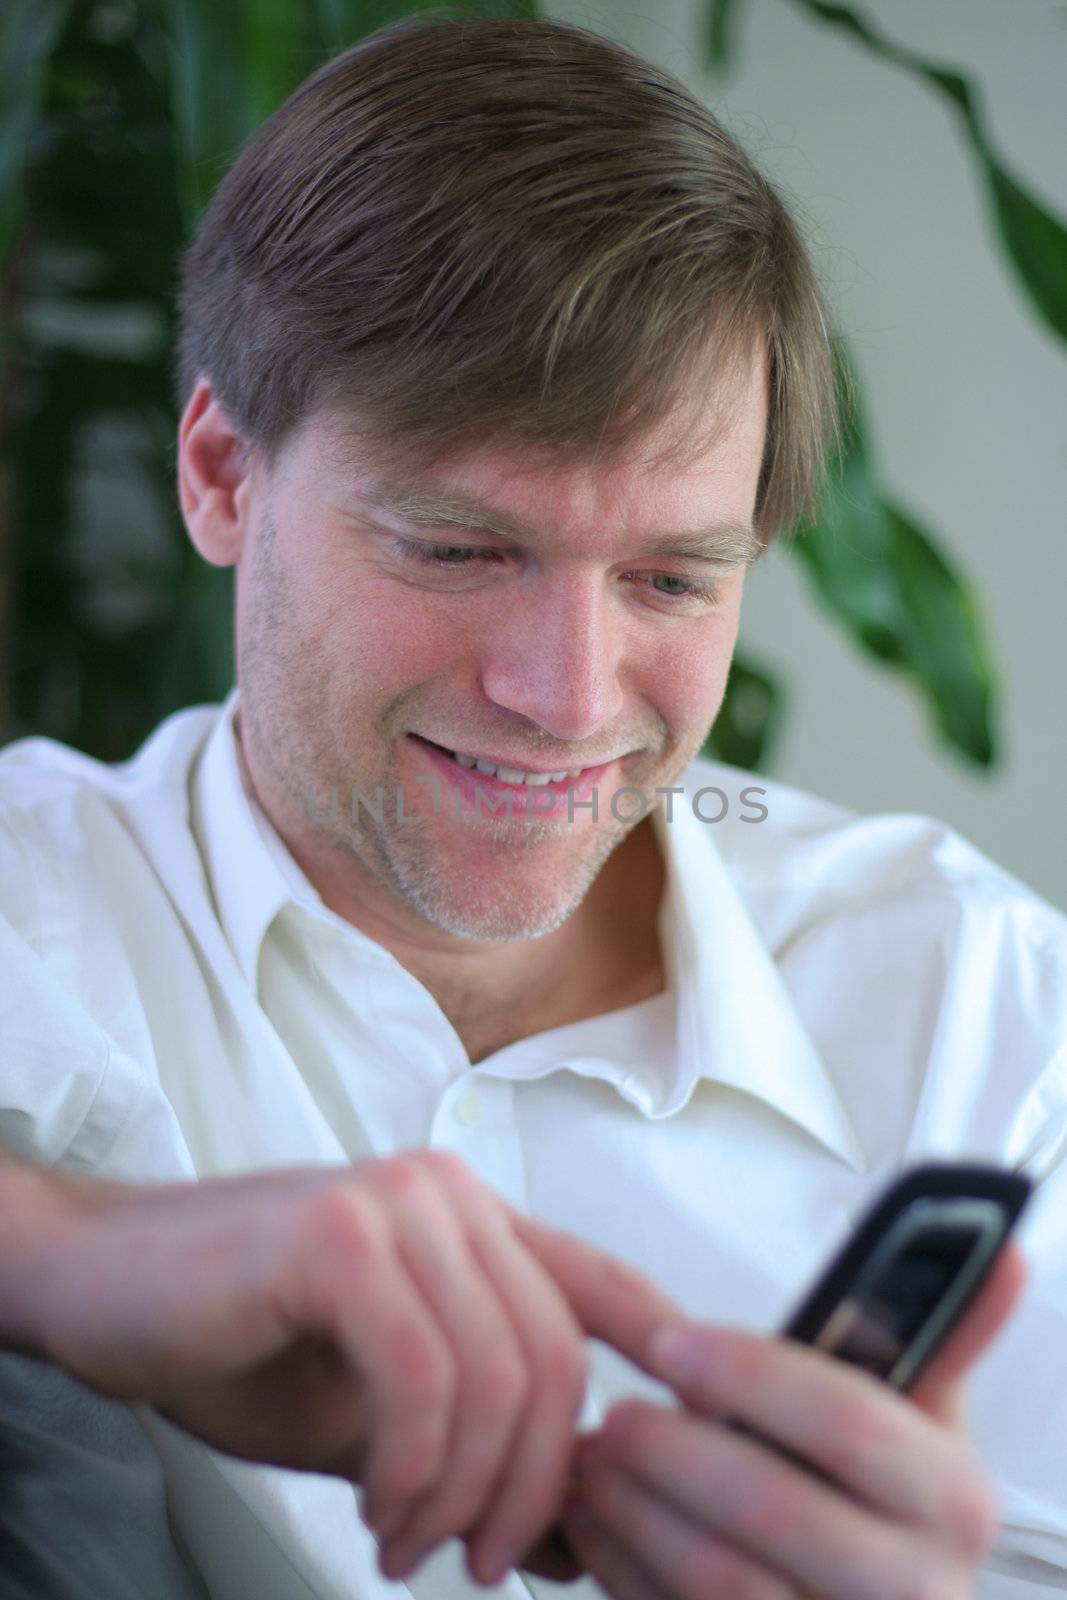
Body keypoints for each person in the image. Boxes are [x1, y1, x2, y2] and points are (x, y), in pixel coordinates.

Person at [0, 10, 1064, 1598]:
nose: (569, 699)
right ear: (223, 475)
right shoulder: (33, 906)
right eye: (455, 547)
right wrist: (62, 1257)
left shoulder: (992, 1014)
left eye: (670, 579)